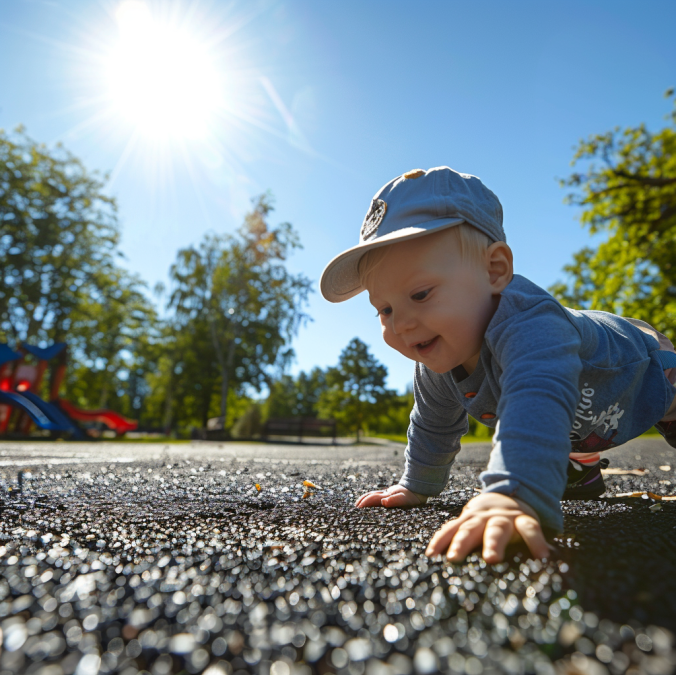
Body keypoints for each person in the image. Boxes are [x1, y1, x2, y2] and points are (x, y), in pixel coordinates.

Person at [319, 167, 676, 564]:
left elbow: (537, 396)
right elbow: (433, 424)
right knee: (555, 425)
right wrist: (417, 484)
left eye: (420, 294)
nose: (400, 323)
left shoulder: (531, 324)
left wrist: (512, 494)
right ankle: (581, 466)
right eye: (383, 309)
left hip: (648, 370)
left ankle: (576, 459)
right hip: (585, 415)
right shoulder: (438, 362)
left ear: (495, 271)